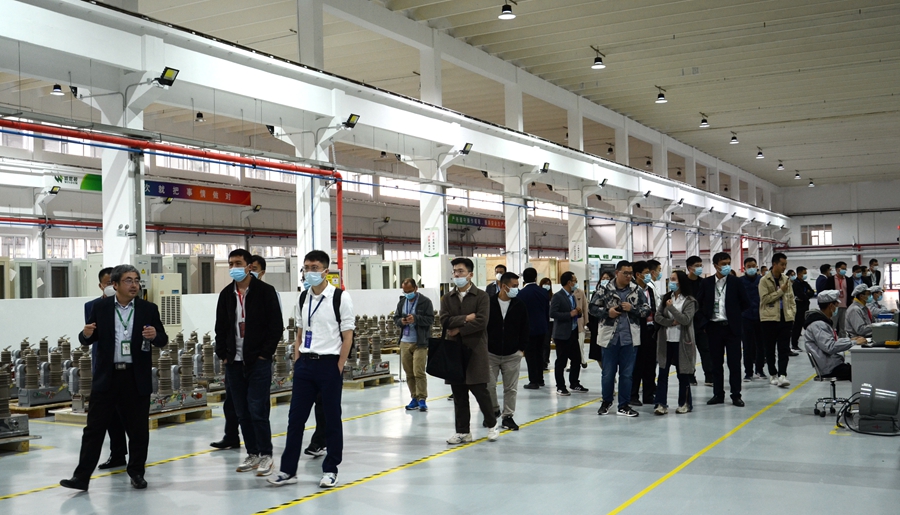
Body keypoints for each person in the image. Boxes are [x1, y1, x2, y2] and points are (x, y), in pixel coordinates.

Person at [60, 265, 167, 491]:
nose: (134, 285)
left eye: (136, 280)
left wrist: (155, 336)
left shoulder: (148, 309)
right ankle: (81, 478)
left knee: (138, 430)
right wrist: (85, 335)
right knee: (94, 429)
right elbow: (87, 338)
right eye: (128, 280)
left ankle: (136, 473)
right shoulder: (100, 307)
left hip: (135, 377)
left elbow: (162, 339)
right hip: (107, 377)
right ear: (115, 285)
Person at [269, 250, 354, 488]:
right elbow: (299, 333)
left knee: (331, 418)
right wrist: (298, 360)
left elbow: (348, 336)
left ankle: (331, 469)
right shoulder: (303, 298)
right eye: (306, 268)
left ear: (326, 271)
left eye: (314, 268)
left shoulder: (340, 298)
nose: (309, 272)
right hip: (305, 365)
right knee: (295, 419)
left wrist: (338, 366)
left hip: (329, 365)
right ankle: (288, 470)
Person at [214, 249, 283, 478]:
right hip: (234, 361)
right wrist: (223, 354)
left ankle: (266, 454)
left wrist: (265, 354)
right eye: (230, 263)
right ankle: (252, 453)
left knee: (257, 409)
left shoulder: (265, 292)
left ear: (248, 266)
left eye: (238, 263)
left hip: (257, 362)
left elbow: (276, 326)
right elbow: (220, 327)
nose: (234, 267)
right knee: (242, 411)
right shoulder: (226, 294)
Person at [441, 257, 498, 444]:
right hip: (454, 351)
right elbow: (444, 321)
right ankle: (462, 431)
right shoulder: (447, 298)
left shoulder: (481, 296)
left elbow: (482, 321)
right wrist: (466, 318)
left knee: (480, 391)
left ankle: (492, 425)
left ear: (470, 274)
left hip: (475, 350)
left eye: (461, 271)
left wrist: (459, 329)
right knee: (458, 393)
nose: (457, 275)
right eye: (455, 272)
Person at [589, 260, 650, 417]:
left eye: (630, 273)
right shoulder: (604, 289)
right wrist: (607, 312)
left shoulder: (636, 290)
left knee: (627, 374)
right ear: (617, 273)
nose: (629, 276)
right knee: (608, 374)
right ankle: (606, 401)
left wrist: (632, 308)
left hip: (629, 339)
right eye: (625, 273)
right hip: (610, 338)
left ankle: (624, 405)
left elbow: (646, 310)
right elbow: (592, 308)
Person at [82, 267, 129, 470]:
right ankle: (117, 453)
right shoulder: (93, 306)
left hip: (126, 367)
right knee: (108, 416)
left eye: (114, 282)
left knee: (127, 414)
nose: (111, 286)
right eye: (107, 283)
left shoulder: (131, 305)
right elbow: (91, 335)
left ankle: (136, 460)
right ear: (101, 285)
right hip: (104, 367)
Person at [696, 252, 750, 407]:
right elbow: (698, 304)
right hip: (713, 328)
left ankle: (736, 395)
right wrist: (704, 323)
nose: (726, 266)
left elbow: (746, 303)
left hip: (732, 329)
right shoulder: (706, 283)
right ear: (715, 266)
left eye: (728, 263)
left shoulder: (736, 282)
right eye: (723, 264)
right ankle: (718, 394)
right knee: (716, 364)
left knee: (734, 364)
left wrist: (734, 315)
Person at [486, 272, 529, 431]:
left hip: (512, 354)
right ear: (504, 286)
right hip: (491, 353)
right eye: (514, 286)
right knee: (489, 386)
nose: (517, 289)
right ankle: (494, 410)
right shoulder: (489, 303)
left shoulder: (519, 305)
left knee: (510, 388)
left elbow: (525, 328)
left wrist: (521, 349)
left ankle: (508, 416)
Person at [653, 270, 697, 415]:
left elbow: (685, 320)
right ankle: (660, 404)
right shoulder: (666, 297)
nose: (671, 282)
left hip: (682, 342)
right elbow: (658, 317)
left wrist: (671, 308)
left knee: (682, 374)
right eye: (670, 279)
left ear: (681, 281)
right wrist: (671, 322)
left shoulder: (689, 301)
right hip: (666, 341)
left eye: (674, 279)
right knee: (662, 374)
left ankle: (685, 403)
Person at [804, 290, 866, 380]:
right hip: (830, 368)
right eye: (836, 305)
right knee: (864, 372)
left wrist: (851, 340)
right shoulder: (818, 324)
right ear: (831, 305)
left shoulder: (823, 322)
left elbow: (832, 342)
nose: (837, 308)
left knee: (862, 369)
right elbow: (830, 347)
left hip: (833, 364)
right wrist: (854, 343)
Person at [393, 278, 434, 412]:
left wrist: (416, 318)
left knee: (418, 372)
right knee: (409, 373)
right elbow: (395, 318)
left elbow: (430, 320)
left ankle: (422, 399)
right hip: (405, 341)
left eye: (409, 291)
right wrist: (401, 321)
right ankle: (414, 398)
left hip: (420, 342)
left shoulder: (425, 302)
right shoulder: (402, 302)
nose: (407, 294)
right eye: (405, 291)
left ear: (416, 288)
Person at [759, 253, 795, 388]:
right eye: (782, 264)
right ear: (774, 264)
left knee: (784, 348)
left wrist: (792, 313)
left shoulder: (786, 279)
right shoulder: (764, 280)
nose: (784, 267)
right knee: (769, 349)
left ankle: (782, 375)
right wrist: (781, 291)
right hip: (769, 319)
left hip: (785, 318)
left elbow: (791, 299)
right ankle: (773, 374)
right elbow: (765, 299)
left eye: (785, 264)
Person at [551, 271, 589, 395]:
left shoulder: (572, 296)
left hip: (573, 332)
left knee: (576, 359)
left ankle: (574, 383)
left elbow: (575, 313)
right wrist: (569, 314)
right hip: (562, 334)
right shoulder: (558, 296)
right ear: (569, 282)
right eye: (574, 281)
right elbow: (552, 313)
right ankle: (560, 386)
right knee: (561, 361)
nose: (576, 283)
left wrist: (578, 312)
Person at [630, 261, 657, 406]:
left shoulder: (650, 289)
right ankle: (633, 395)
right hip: (637, 330)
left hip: (651, 330)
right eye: (646, 273)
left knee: (650, 365)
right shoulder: (631, 290)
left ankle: (648, 394)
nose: (649, 276)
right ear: (638, 274)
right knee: (637, 365)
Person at [518, 267, 550, 389]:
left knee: (530, 355)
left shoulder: (521, 294)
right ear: (536, 278)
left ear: (524, 279)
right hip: (542, 327)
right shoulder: (543, 292)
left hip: (528, 329)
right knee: (539, 353)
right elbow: (546, 311)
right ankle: (540, 379)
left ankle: (533, 381)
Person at [683, 255, 713, 386]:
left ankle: (709, 376)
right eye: (697, 266)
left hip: (701, 322)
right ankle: (690, 375)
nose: (700, 268)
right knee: (688, 351)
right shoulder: (683, 283)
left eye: (701, 265)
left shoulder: (704, 283)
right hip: (687, 322)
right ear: (689, 268)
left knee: (706, 349)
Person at [740, 258, 766, 382]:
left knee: (761, 345)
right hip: (745, 317)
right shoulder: (740, 281)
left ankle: (760, 369)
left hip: (761, 317)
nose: (751, 268)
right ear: (744, 267)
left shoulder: (762, 280)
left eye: (753, 266)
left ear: (757, 267)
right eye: (749, 266)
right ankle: (748, 372)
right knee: (747, 346)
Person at [587, 271, 614, 369]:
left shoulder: (614, 294)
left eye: (607, 278)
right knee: (597, 353)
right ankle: (605, 370)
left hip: (610, 326)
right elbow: (591, 310)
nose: (605, 280)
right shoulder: (596, 293)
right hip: (597, 327)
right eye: (603, 278)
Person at [791, 266, 816, 355]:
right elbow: (800, 295)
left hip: (805, 307)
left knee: (805, 325)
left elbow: (812, 292)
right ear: (799, 274)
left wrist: (807, 294)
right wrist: (806, 294)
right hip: (798, 308)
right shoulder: (795, 284)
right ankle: (794, 345)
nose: (805, 275)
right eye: (804, 273)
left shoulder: (805, 283)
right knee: (797, 327)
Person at [824, 261, 850, 337]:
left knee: (843, 327)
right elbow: (827, 292)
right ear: (837, 269)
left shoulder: (848, 280)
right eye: (843, 268)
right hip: (834, 307)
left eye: (845, 269)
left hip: (845, 306)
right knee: (832, 325)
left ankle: (843, 341)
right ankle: (831, 339)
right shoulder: (830, 279)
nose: (844, 270)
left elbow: (850, 293)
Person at [539, 277, 554, 369]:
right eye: (545, 284)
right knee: (541, 342)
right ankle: (541, 360)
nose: (547, 286)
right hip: (541, 321)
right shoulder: (539, 295)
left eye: (548, 284)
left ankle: (545, 360)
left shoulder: (552, 296)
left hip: (550, 322)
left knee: (546, 342)